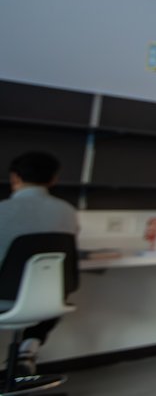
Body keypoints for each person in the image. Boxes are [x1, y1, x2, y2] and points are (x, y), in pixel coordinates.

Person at [0, 151, 79, 376]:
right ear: (54, 179)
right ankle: (28, 348)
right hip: (49, 301)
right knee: (48, 290)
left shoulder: (3, 210)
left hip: (4, 300)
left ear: (15, 177)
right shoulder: (67, 211)